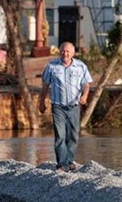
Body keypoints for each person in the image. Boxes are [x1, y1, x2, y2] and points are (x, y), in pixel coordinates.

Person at [39, 41, 93, 172]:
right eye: (63, 50)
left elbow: (86, 84)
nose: (65, 53)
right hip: (58, 106)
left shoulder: (81, 66)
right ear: (60, 52)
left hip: (74, 106)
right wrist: (41, 102)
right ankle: (62, 164)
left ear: (73, 53)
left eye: (68, 51)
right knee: (60, 135)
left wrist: (85, 96)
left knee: (73, 135)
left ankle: (70, 161)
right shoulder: (52, 66)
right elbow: (45, 86)